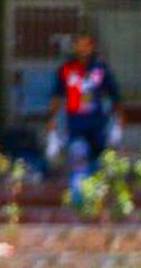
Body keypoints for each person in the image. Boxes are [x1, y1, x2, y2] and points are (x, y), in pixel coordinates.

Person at [47, 33, 124, 203]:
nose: (82, 48)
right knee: (78, 159)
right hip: (76, 126)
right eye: (79, 44)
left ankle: (97, 203)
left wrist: (118, 121)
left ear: (92, 46)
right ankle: (79, 203)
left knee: (99, 166)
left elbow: (115, 96)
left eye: (86, 44)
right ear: (74, 46)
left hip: (98, 127)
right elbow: (56, 97)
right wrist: (52, 121)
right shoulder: (66, 69)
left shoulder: (100, 69)